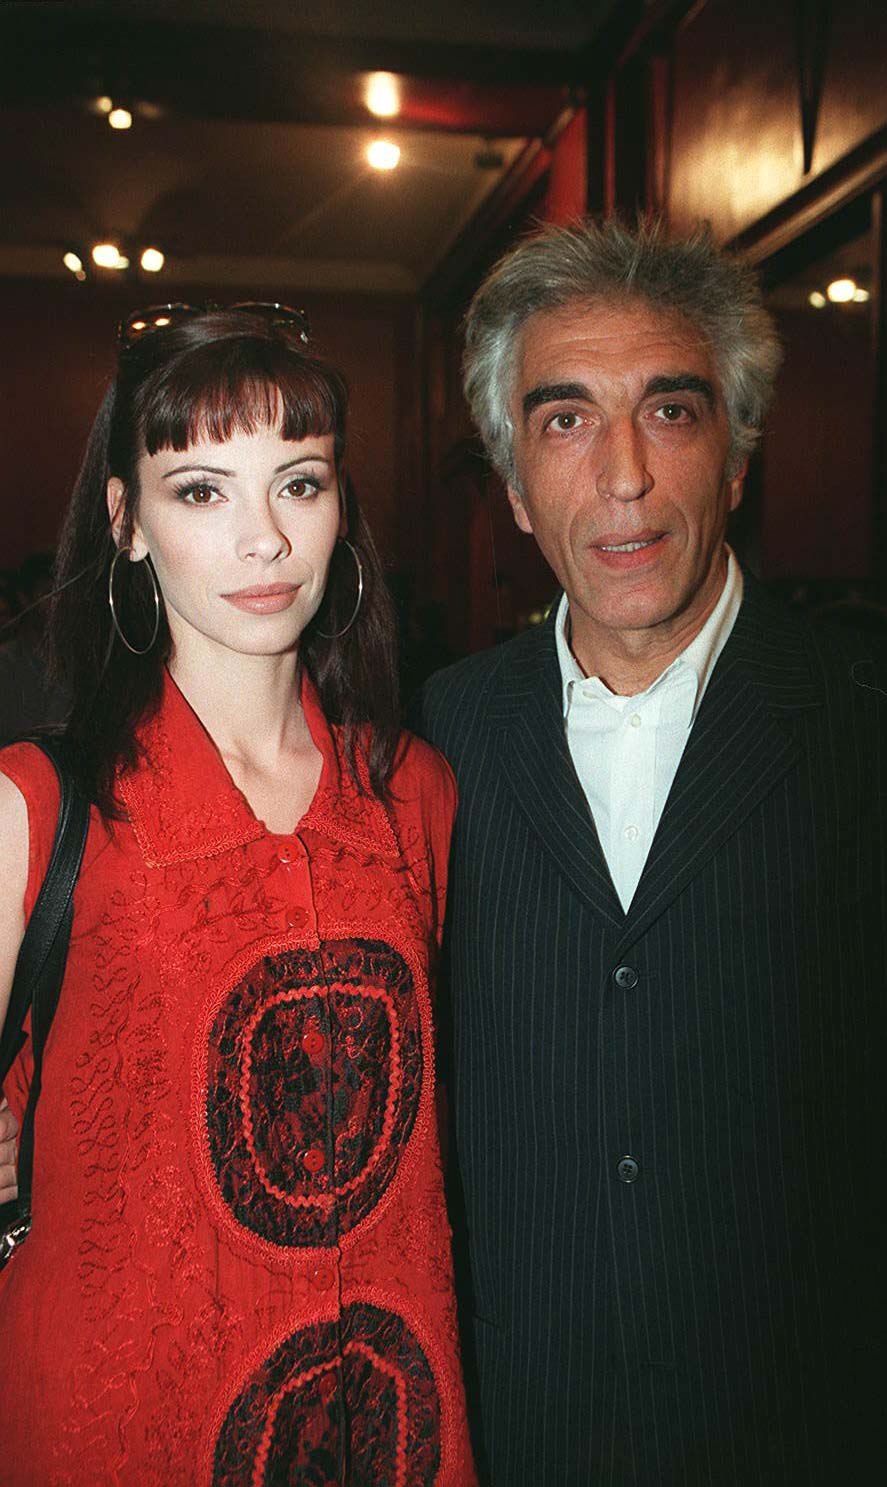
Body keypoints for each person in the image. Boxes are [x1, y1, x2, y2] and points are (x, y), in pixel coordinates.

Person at [418, 220, 887, 1485]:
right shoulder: (434, 737)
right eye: (564, 420)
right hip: (524, 1437)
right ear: (513, 484)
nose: (621, 475)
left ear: (735, 459)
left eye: (668, 411)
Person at [0, 305, 475, 1485]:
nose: (264, 538)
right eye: (202, 491)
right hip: (118, 1419)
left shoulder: (414, 792)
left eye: (299, 483)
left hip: (382, 1418)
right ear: (127, 522)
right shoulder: (35, 805)